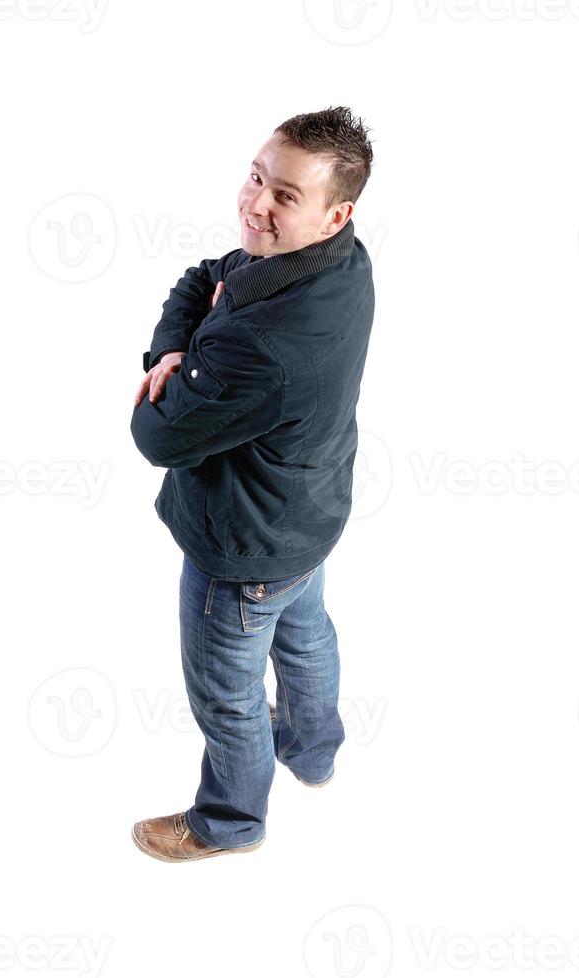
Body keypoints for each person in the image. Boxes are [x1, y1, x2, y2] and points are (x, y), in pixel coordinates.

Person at [130, 105, 375, 862]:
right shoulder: (340, 260)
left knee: (227, 695)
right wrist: (174, 353)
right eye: (257, 176)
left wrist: (170, 374)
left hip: (240, 548)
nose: (256, 204)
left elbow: (157, 435)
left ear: (336, 212)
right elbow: (201, 276)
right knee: (306, 639)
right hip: (307, 515)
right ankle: (312, 753)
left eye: (284, 196)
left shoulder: (265, 345)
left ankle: (229, 821)